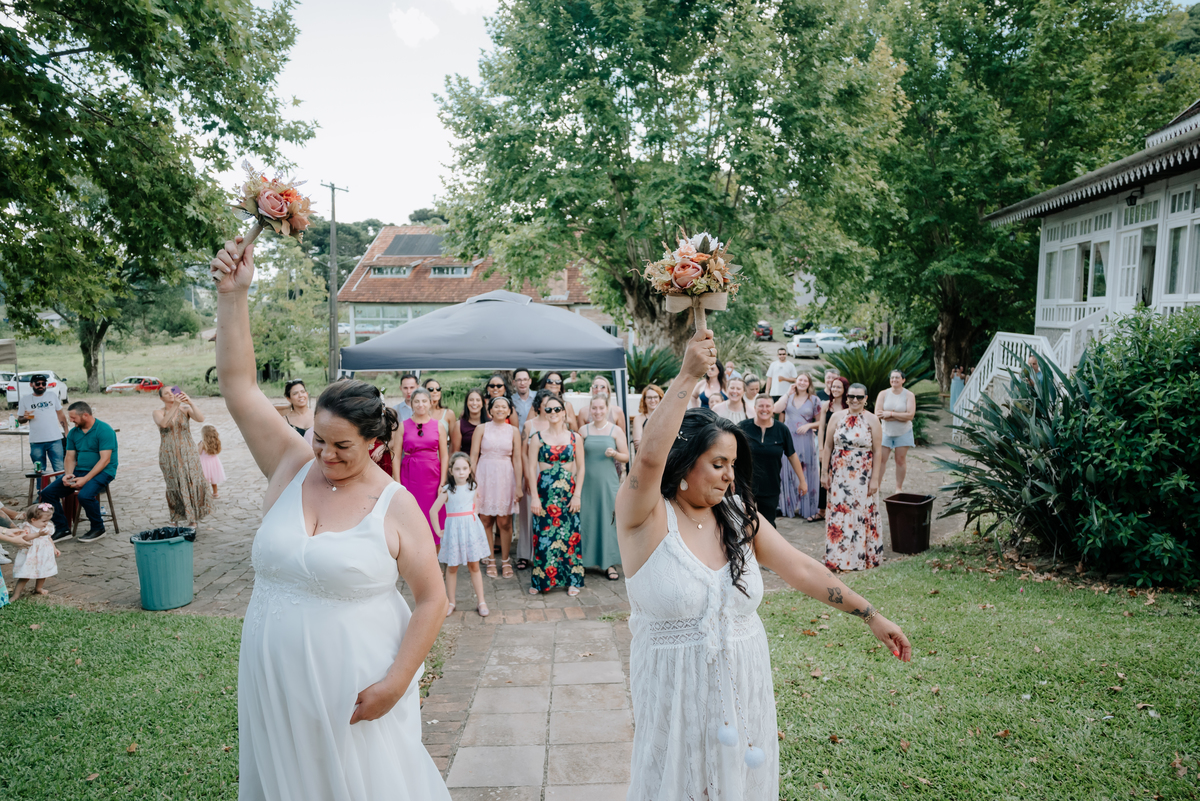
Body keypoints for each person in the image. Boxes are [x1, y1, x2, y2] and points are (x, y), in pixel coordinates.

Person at [614, 329, 911, 800]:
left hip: (744, 688)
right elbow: (649, 459)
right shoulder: (644, 519)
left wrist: (870, 615)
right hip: (675, 697)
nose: (730, 475)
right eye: (718, 464)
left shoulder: (739, 515)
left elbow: (802, 569)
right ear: (684, 463)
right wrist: (689, 375)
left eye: (733, 464)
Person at [210, 233, 450, 801]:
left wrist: (396, 683)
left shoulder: (394, 503)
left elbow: (433, 599)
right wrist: (233, 296)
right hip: (272, 680)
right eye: (319, 439)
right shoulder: (292, 464)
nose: (325, 455)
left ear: (374, 442)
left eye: (342, 446)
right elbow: (239, 387)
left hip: (356, 688)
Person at [526, 396, 585, 595]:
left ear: (564, 412)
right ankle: (540, 581)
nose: (553, 413)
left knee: (570, 536)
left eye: (557, 409)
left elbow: (581, 468)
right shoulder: (537, 438)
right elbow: (530, 468)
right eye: (549, 409)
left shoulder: (575, 437)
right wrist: (534, 497)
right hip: (544, 494)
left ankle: (573, 581)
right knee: (543, 536)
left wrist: (577, 495)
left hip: (568, 493)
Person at [821, 383, 883, 571]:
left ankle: (860, 557)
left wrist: (875, 479)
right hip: (839, 475)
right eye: (851, 396)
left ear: (866, 399)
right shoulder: (837, 417)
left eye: (859, 397)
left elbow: (878, 451)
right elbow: (828, 446)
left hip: (862, 476)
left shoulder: (872, 420)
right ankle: (838, 558)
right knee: (840, 511)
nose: (855, 400)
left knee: (861, 511)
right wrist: (824, 473)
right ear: (846, 397)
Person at [40, 401, 118, 543]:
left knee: (85, 496)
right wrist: (68, 475)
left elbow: (105, 460)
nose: (71, 421)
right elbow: (70, 457)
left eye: (73, 417)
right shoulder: (74, 433)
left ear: (85, 415)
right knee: (47, 493)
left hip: (104, 471)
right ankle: (62, 529)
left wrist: (85, 479)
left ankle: (98, 528)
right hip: (80, 470)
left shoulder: (104, 430)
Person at [430, 453, 490, 617]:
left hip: (470, 532)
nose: (461, 472)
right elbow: (433, 511)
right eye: (457, 469)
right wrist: (438, 531)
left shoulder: (473, 487)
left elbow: (475, 507)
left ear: (470, 469)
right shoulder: (447, 490)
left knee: (474, 566)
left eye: (464, 468)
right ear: (451, 471)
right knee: (452, 567)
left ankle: (481, 601)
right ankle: (451, 602)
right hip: (454, 533)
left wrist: (474, 525)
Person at [470, 395, 521, 579]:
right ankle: (490, 559)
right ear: (490, 410)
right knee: (485, 520)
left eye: (504, 407)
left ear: (509, 411)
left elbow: (517, 458)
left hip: (505, 477)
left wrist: (519, 485)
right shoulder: (481, 428)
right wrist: (472, 482)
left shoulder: (513, 431)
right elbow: (473, 456)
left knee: (504, 521)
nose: (500, 409)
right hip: (484, 476)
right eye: (496, 406)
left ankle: (506, 560)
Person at [738, 395, 806, 527]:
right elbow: (733, 454)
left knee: (768, 524)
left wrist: (802, 481)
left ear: (773, 408)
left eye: (768, 406)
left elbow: (792, 456)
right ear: (755, 408)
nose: (764, 409)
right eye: (761, 406)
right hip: (745, 485)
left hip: (770, 486)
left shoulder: (782, 429)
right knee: (742, 522)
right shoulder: (743, 427)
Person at [580, 395, 628, 581]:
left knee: (608, 520)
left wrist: (615, 453)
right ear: (590, 409)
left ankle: (609, 563)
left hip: (608, 483)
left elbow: (626, 456)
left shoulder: (615, 431)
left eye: (601, 408)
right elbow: (576, 456)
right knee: (586, 520)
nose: (598, 411)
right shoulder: (583, 430)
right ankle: (583, 561)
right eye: (594, 408)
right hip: (586, 483)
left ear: (607, 409)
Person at [154, 386, 212, 527]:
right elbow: (164, 424)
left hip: (188, 451)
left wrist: (190, 402)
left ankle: (193, 518)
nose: (170, 394)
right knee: (173, 484)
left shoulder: (185, 409)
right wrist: (175, 405)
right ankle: (175, 516)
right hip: (168, 453)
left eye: (172, 392)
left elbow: (201, 418)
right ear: (161, 398)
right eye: (166, 393)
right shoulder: (158, 412)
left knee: (191, 481)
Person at [399, 388, 449, 547]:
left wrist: (442, 483)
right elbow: (396, 456)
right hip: (410, 476)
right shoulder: (403, 426)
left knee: (434, 514)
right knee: (411, 513)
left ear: (430, 403)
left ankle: (435, 555)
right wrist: (397, 483)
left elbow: (444, 456)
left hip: (433, 477)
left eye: (424, 401)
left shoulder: (438, 426)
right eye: (417, 401)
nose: (420, 404)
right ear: (411, 404)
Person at [774, 374, 821, 521]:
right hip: (788, 439)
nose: (802, 382)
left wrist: (809, 425)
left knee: (806, 470)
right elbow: (776, 409)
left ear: (809, 383)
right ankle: (787, 506)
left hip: (805, 439)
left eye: (805, 380)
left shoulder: (814, 400)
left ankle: (806, 507)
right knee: (787, 469)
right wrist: (788, 393)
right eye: (800, 379)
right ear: (795, 381)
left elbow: (821, 422)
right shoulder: (788, 397)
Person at [874, 369, 916, 493]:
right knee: (881, 459)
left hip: (903, 432)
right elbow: (878, 413)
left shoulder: (909, 395)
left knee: (900, 460)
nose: (894, 380)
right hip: (885, 432)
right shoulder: (883, 394)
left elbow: (910, 415)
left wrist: (890, 414)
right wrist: (899, 416)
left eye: (897, 377)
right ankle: (877, 486)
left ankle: (898, 488)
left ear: (903, 380)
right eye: (892, 377)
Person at [815, 376, 850, 520]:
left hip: (843, 447)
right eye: (833, 386)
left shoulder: (848, 406)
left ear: (844, 389)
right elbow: (821, 428)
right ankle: (822, 510)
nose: (835, 389)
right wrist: (821, 449)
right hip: (827, 445)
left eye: (838, 387)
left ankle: (841, 507)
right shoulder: (826, 405)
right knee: (824, 476)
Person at [8, 503, 60, 599]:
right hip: (31, 554)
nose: (46, 523)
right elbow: (25, 537)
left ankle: (38, 588)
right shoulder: (28, 527)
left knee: (43, 571)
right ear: (33, 520)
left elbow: (48, 538)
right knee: (25, 575)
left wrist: (54, 548)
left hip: (44, 554)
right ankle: (16, 594)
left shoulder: (46, 526)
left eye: (48, 520)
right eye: (44, 521)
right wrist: (38, 534)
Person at [18, 373, 68, 472]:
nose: (41, 386)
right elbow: (20, 419)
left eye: (43, 383)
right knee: (39, 470)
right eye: (37, 383)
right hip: (36, 440)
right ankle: (42, 483)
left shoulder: (52, 396)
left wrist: (66, 431)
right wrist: (25, 417)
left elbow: (60, 414)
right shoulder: (25, 400)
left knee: (59, 468)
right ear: (31, 384)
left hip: (55, 439)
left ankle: (60, 483)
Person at [631, 384, 663, 453]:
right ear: (644, 400)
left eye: (655, 397)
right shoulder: (639, 419)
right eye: (649, 397)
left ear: (660, 398)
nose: (652, 400)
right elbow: (638, 445)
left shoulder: (665, 417)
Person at [453, 388, 485, 456]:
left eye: (478, 400)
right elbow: (456, 452)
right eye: (471, 400)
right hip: (466, 460)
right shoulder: (459, 425)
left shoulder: (489, 423)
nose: (474, 403)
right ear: (466, 403)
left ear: (482, 403)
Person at [198, 425, 227, 499]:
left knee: (205, 479)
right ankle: (215, 493)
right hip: (214, 462)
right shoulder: (216, 442)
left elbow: (199, 452)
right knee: (214, 478)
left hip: (204, 463)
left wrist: (198, 446)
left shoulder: (202, 443)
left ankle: (205, 494)